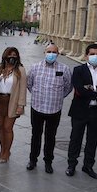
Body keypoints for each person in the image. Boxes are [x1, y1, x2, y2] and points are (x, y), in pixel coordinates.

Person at [66, 43, 97, 178]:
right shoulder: (78, 70)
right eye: (92, 54)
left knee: (92, 140)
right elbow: (80, 90)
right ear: (86, 55)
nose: (95, 56)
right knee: (75, 138)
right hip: (80, 110)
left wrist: (93, 88)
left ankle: (88, 166)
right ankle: (71, 164)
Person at [26, 44, 72, 173]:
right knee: (36, 135)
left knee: (50, 137)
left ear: (58, 54)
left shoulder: (64, 68)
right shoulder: (35, 68)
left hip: (54, 109)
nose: (51, 54)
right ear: (44, 52)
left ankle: (48, 161)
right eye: (49, 51)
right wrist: (38, 95)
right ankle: (33, 160)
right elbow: (29, 84)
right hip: (37, 107)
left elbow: (68, 87)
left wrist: (58, 97)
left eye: (54, 52)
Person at [0, 47, 27, 163]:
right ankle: (2, 150)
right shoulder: (0, 68)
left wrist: (21, 105)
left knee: (8, 128)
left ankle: (7, 152)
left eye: (14, 55)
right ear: (5, 56)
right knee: (0, 127)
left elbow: (23, 88)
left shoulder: (20, 70)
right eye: (10, 55)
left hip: (11, 101)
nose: (12, 57)